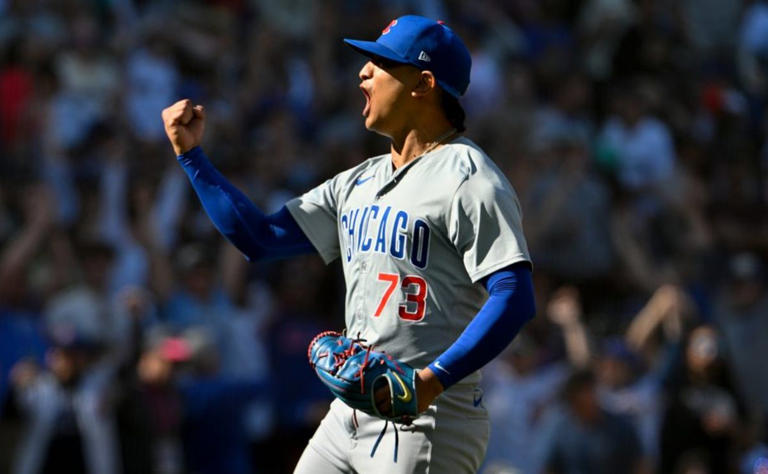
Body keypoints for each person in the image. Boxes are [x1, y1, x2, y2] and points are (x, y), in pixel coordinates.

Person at [161, 15, 535, 474]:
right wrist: (192, 157)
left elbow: (514, 295)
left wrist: (431, 382)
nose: (363, 72)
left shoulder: (470, 177)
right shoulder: (358, 180)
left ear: (423, 83)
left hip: (428, 419)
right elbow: (258, 238)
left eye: (381, 62)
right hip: (349, 411)